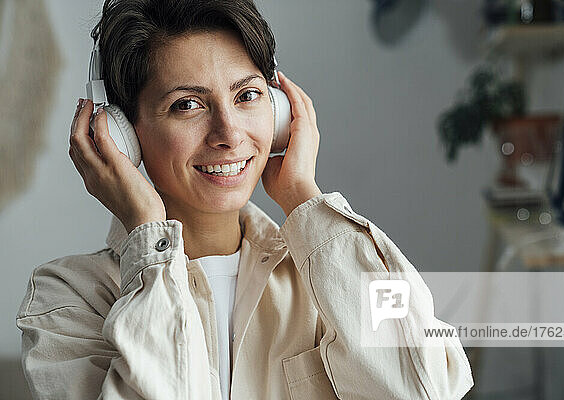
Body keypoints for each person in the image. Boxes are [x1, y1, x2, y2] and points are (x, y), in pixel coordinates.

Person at [16, 0, 474, 399]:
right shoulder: (69, 298)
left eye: (248, 96)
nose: (229, 134)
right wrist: (150, 242)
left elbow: (424, 389)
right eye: (187, 104)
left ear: (278, 112)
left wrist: (302, 197)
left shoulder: (326, 273)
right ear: (120, 135)